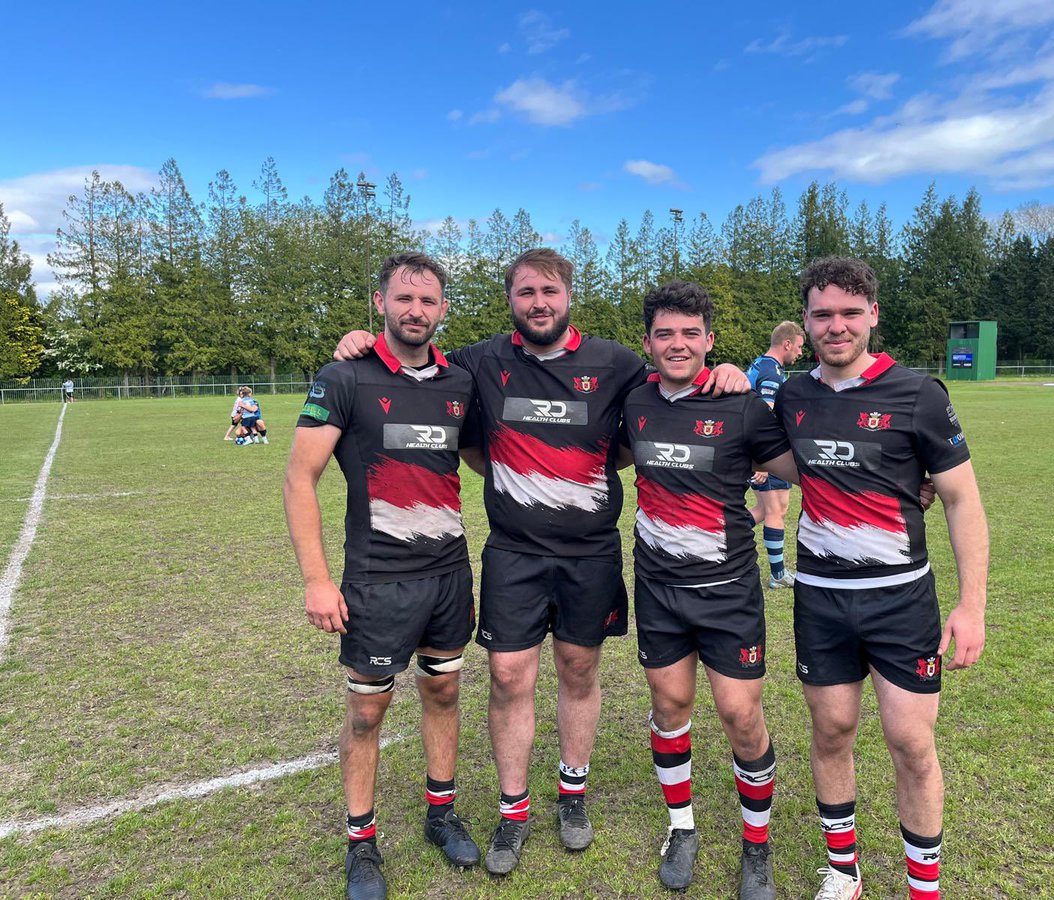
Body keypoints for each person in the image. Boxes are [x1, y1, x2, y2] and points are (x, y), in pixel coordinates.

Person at [333, 248, 751, 876]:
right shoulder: (479, 360)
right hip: (514, 552)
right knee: (507, 676)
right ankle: (513, 808)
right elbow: (433, 395)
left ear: (568, 296)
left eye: (549, 291)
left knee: (580, 669)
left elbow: (670, 393)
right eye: (526, 292)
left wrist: (730, 371)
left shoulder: (615, 363)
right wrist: (358, 340)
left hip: (590, 552)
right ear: (511, 300)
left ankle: (573, 796)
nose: (538, 303)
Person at [772, 257, 988, 900]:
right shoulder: (792, 394)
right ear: (805, 322)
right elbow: (788, 462)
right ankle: (844, 873)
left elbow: (962, 500)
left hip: (901, 599)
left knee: (911, 742)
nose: (835, 327)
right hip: (820, 597)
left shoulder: (919, 393)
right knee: (832, 730)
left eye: (848, 313)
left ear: (872, 316)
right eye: (822, 315)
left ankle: (925, 888)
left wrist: (971, 604)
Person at [284, 252, 483, 900]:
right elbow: (299, 479)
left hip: (448, 573)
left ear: (443, 309)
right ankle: (360, 842)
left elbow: (485, 451)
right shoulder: (344, 377)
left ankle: (440, 813)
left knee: (444, 694)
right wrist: (317, 580)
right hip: (376, 580)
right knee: (368, 711)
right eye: (404, 299)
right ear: (380, 303)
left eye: (428, 300)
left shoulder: (460, 381)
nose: (416, 311)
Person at [624, 282, 804, 899]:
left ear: (709, 339)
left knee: (740, 715)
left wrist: (911, 479)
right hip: (658, 588)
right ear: (647, 342)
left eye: (690, 333)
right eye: (665, 334)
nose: (678, 344)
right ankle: (683, 829)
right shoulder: (633, 401)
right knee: (670, 708)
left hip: (728, 591)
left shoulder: (744, 404)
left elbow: (801, 470)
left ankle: (758, 845)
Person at [745, 321, 804, 588]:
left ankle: (720, 535)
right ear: (787, 343)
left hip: (760, 453)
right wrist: (764, 460)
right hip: (766, 455)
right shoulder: (771, 372)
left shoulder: (762, 364)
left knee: (768, 509)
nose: (801, 353)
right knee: (775, 511)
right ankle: (778, 574)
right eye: (800, 347)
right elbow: (765, 415)